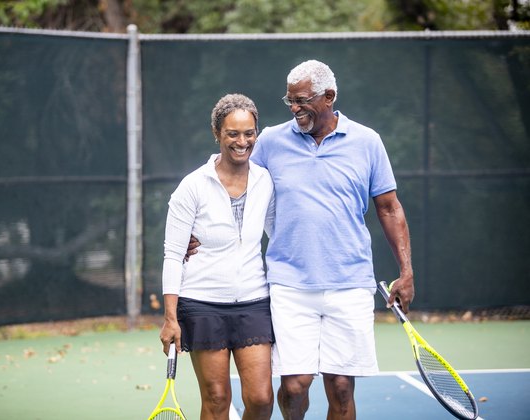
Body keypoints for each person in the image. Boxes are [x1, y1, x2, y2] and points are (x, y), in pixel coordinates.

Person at [187, 60, 415, 420]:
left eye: (302, 100)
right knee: (294, 388)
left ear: (329, 97)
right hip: (288, 284)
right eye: (289, 101)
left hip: (350, 283)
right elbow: (228, 172)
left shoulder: (368, 142)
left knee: (341, 388)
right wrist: (193, 230)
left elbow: (389, 208)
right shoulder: (272, 141)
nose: (294, 108)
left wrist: (406, 270)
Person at [159, 93, 275, 420]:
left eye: (249, 133)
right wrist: (170, 317)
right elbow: (172, 255)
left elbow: (280, 234)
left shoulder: (266, 181)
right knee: (216, 398)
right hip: (201, 303)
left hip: (253, 301)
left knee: (262, 399)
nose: (242, 141)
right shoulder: (192, 187)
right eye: (233, 133)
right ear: (217, 133)